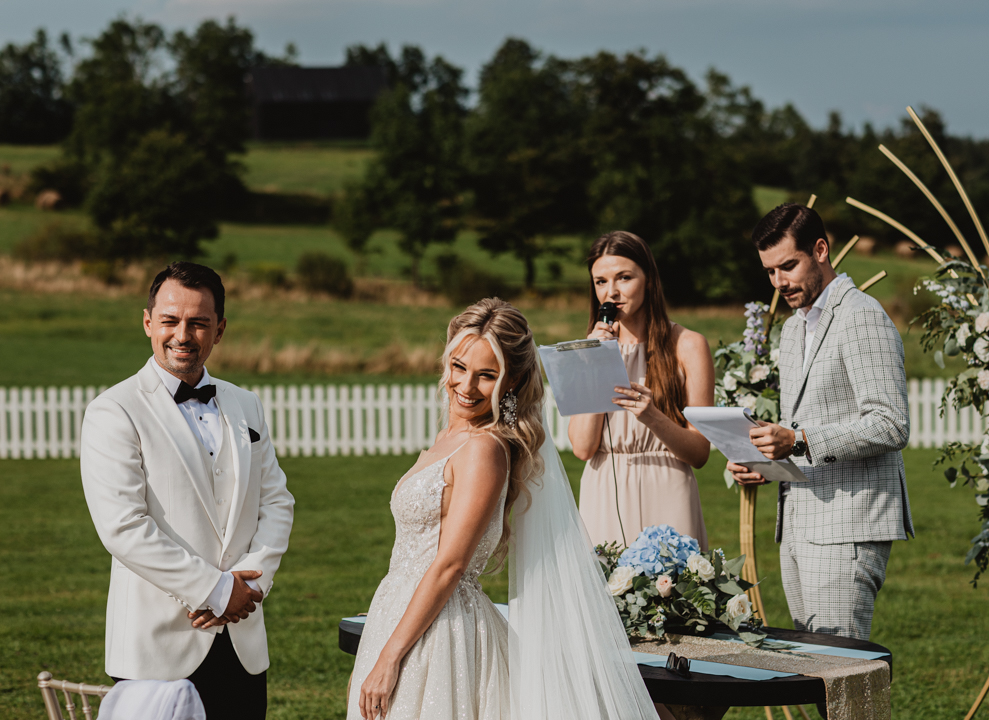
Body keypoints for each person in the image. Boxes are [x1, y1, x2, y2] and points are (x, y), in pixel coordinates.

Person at [348, 298, 659, 720]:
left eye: (487, 375)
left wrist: (389, 658)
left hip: (440, 632)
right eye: (459, 367)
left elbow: (450, 565)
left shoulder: (483, 449)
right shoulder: (450, 437)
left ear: (511, 382)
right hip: (399, 610)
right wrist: (377, 646)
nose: (466, 386)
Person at [81, 262, 295, 719]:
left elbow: (277, 501)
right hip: (158, 649)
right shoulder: (114, 410)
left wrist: (250, 586)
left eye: (198, 322)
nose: (183, 335)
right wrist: (215, 590)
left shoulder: (245, 404)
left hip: (242, 644)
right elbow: (123, 527)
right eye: (170, 320)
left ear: (219, 330)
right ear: (148, 323)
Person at [727, 204, 913, 641]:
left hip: (848, 524)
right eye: (770, 271)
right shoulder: (794, 329)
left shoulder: (861, 315)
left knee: (840, 667)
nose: (779, 282)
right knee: (815, 666)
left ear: (821, 250)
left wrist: (797, 440)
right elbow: (803, 424)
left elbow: (890, 423)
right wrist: (761, 461)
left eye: (788, 266)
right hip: (799, 525)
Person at [569, 231, 714, 550]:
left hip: (668, 492)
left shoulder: (689, 345)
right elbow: (582, 447)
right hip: (603, 492)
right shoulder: (589, 348)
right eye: (600, 281)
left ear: (649, 280)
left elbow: (700, 453)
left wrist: (653, 416)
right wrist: (595, 361)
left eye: (624, 278)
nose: (611, 292)